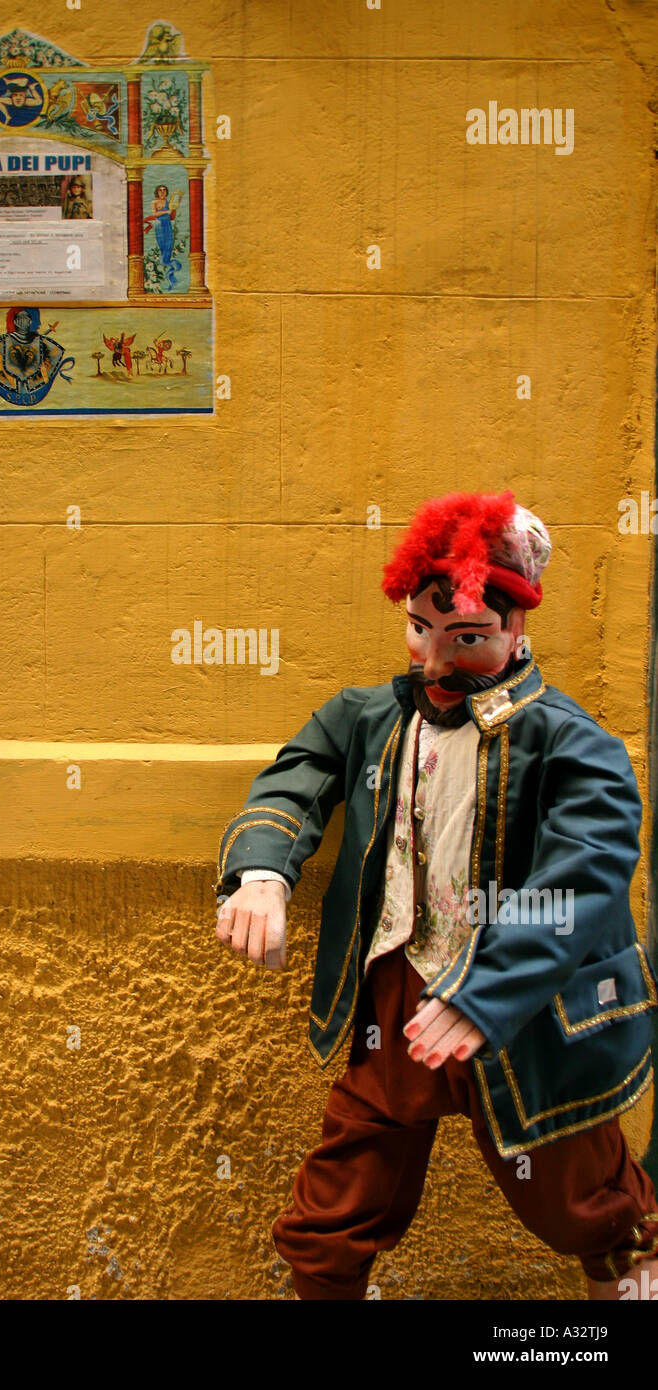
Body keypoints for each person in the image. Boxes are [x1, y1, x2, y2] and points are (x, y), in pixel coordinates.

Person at [214, 490, 658, 1300]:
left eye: (466, 640)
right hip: (397, 997)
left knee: (585, 1202)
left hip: (532, 1018)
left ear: (517, 629)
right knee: (336, 1206)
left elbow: (584, 871)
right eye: (420, 629)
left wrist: (489, 992)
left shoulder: (572, 743)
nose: (434, 662)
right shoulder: (368, 717)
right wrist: (263, 873)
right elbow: (295, 780)